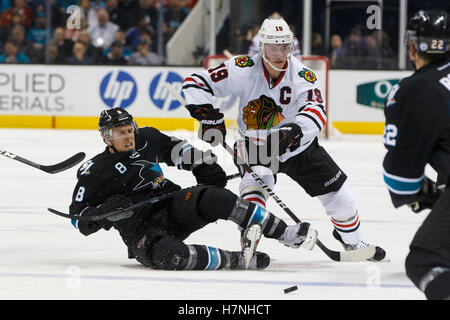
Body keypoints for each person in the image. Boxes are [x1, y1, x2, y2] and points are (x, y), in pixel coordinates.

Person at [182, 17, 387, 261]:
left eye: (284, 47)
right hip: (255, 145)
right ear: (261, 47)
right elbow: (195, 83)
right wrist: (207, 116)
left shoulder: (303, 76)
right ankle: (249, 234)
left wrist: (295, 131)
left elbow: (316, 110)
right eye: (273, 48)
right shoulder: (242, 67)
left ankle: (352, 242)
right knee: (258, 182)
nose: (279, 54)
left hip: (298, 148)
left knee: (341, 197)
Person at [68, 107, 317, 271]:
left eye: (129, 129)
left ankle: (288, 233)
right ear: (105, 137)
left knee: (215, 197)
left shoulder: (147, 138)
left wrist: (202, 164)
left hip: (171, 205)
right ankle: (239, 260)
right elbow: (78, 219)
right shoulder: (95, 171)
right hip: (141, 229)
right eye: (120, 133)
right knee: (171, 256)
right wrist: (103, 212)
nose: (128, 136)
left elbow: (176, 149)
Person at [382, 9, 450, 300]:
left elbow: (401, 179)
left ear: (411, 47)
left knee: (425, 260)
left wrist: (426, 194)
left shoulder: (409, 91)